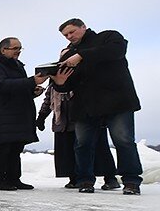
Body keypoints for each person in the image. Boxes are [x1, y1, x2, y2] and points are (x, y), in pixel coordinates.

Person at [52, 18, 142, 195]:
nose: (69, 36)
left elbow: (116, 51)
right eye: (65, 35)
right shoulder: (68, 54)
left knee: (123, 140)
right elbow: (68, 84)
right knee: (83, 144)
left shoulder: (108, 37)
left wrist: (82, 56)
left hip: (117, 101)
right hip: (85, 105)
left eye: (72, 32)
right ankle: (85, 180)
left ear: (83, 27)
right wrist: (60, 83)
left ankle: (131, 181)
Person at [37, 53, 119, 189]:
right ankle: (74, 177)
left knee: (99, 148)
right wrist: (41, 116)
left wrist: (103, 114)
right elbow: (49, 98)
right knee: (68, 150)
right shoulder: (55, 78)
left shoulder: (84, 73)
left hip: (87, 117)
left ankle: (110, 178)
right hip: (63, 120)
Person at [0, 37, 48, 191]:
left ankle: (13, 179)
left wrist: (32, 91)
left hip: (16, 115)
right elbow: (0, 86)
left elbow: (15, 89)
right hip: (1, 115)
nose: (18, 51)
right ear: (3, 50)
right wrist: (32, 81)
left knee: (16, 148)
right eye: (15, 48)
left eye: (20, 48)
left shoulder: (17, 66)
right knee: (3, 148)